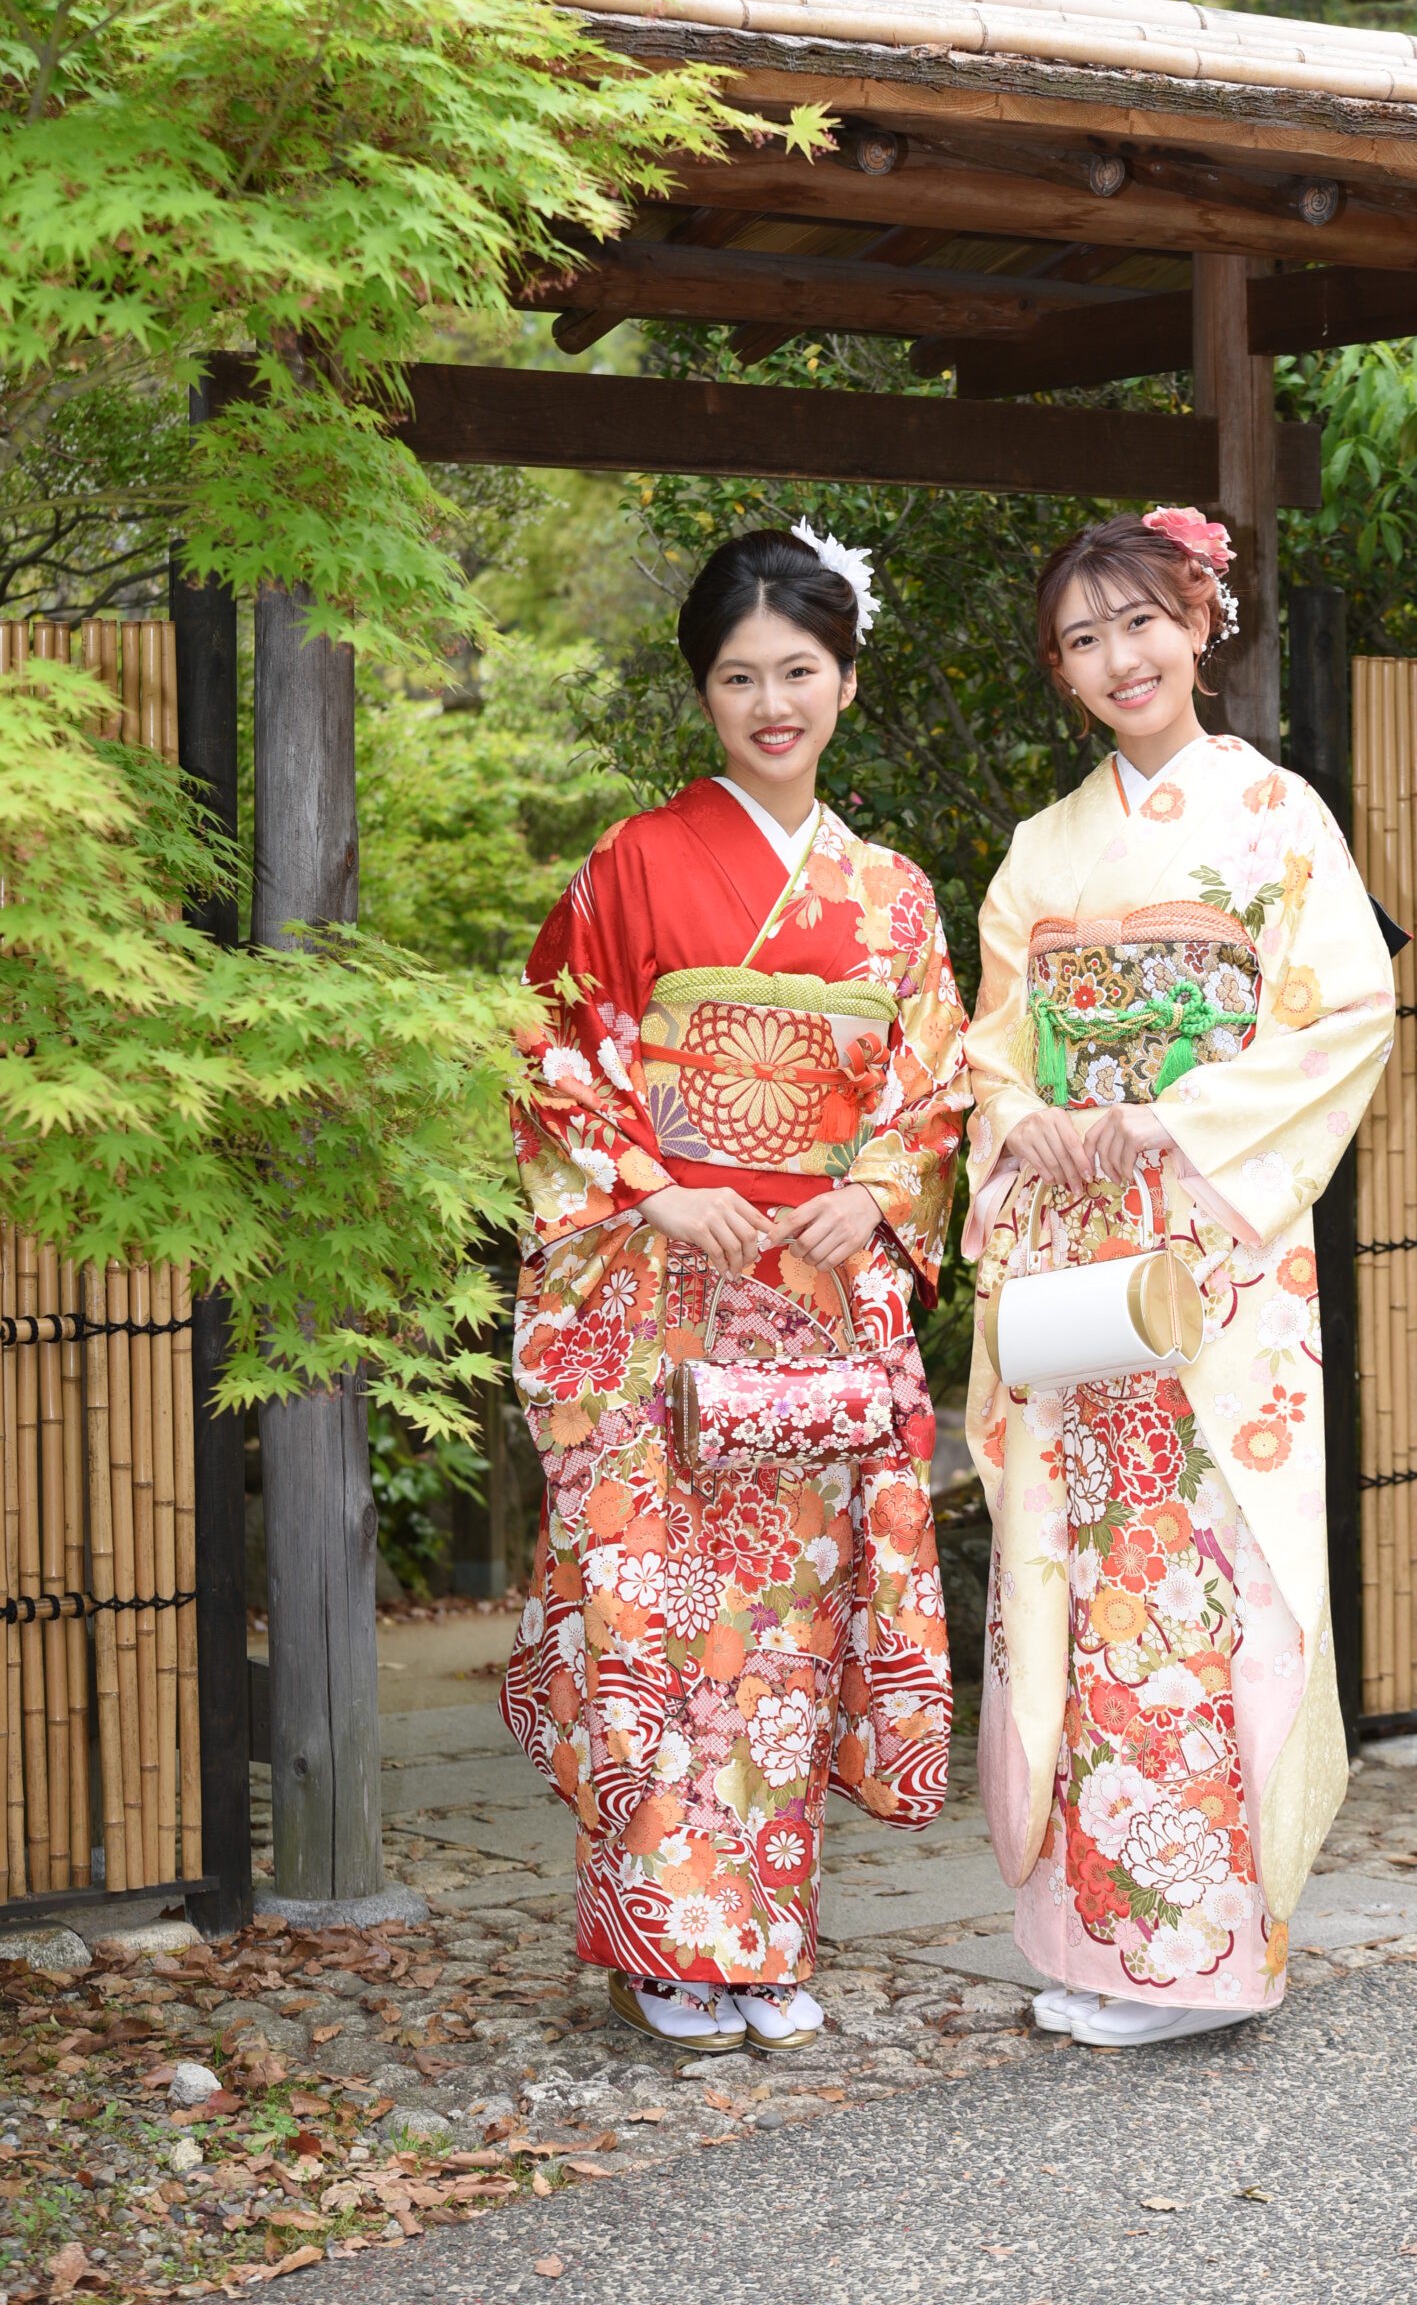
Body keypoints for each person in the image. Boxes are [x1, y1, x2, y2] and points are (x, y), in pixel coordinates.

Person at [500, 521, 969, 2056]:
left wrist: (875, 1192)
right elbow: (552, 1054)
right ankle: (661, 1939)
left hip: (815, 1301)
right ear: (702, 693)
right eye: (739, 677)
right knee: (650, 1614)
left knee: (783, 1626)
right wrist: (653, 1185)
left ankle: (761, 1943)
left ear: (845, 680)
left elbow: (932, 1082)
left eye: (799, 671)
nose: (773, 704)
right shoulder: (632, 863)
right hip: (657, 1296)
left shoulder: (891, 894)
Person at [962, 509, 1393, 2048]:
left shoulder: (1278, 817)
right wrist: (1023, 1116)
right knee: (1078, 1584)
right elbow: (990, 1045)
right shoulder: (1039, 849)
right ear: (1061, 671)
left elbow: (1342, 1014)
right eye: (1081, 640)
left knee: (1203, 1583)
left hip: (1209, 1256)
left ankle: (1201, 1961)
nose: (1116, 659)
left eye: (1138, 623)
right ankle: (1094, 1942)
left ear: (1201, 622)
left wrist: (1168, 1117)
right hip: (1076, 1245)